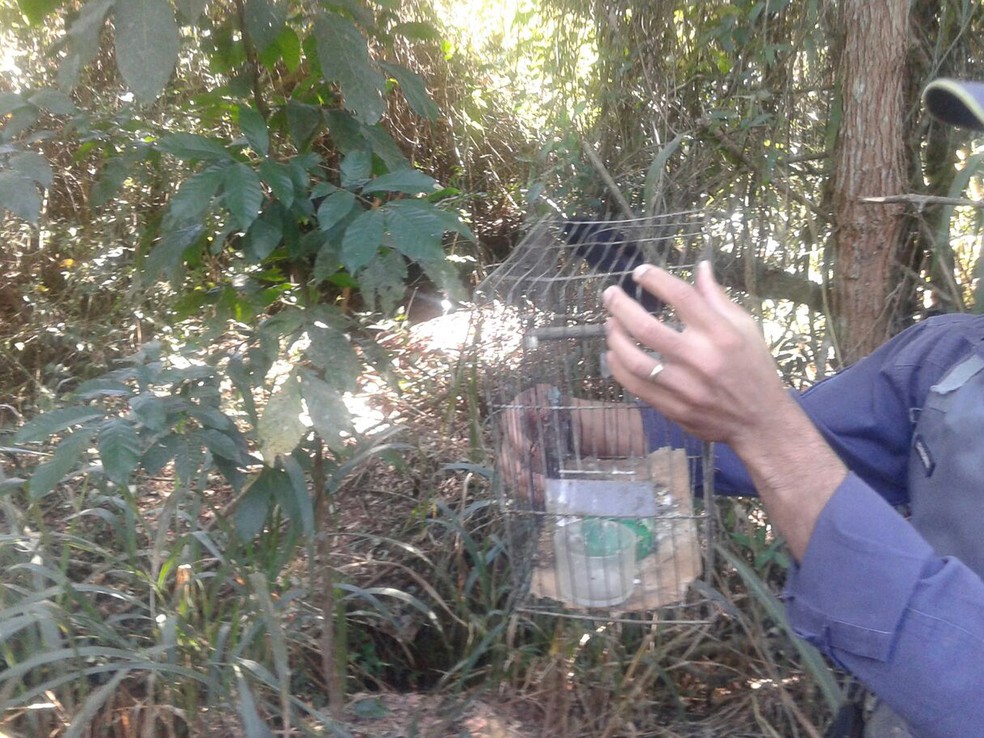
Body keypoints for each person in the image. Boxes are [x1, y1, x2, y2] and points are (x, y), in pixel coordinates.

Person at [501, 79, 984, 738]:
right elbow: (791, 432)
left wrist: (765, 430)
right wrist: (577, 422)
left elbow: (775, 435)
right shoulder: (949, 357)